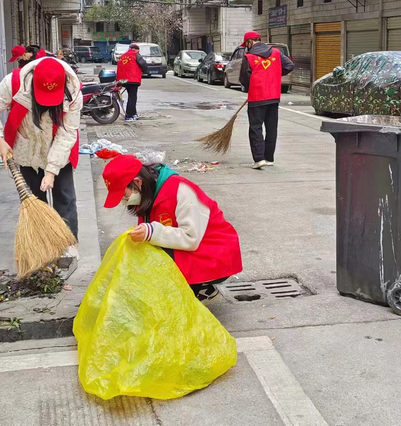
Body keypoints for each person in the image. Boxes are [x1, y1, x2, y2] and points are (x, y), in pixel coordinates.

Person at [102, 154, 242, 300]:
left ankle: (201, 289)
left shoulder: (180, 191)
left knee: (156, 258)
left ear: (137, 182)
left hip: (214, 252)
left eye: (124, 194)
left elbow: (191, 238)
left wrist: (151, 232)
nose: (123, 201)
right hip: (192, 248)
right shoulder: (147, 193)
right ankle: (190, 289)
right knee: (140, 254)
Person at [0, 56, 84, 242]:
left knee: (65, 200)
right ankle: (41, 245)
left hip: (60, 151)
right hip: (26, 151)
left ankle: (68, 244)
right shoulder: (15, 82)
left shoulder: (73, 92)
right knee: (34, 200)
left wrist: (51, 171)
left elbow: (67, 134)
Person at [239, 32, 294, 169]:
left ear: (250, 42)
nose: (246, 47)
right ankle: (269, 158)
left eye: (246, 44)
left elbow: (243, 79)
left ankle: (259, 159)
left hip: (257, 97)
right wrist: (274, 74)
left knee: (256, 128)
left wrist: (251, 87)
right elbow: (289, 66)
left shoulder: (248, 57)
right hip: (274, 96)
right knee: (271, 128)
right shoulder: (276, 53)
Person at [116, 43, 147, 122]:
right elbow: (144, 65)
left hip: (123, 80)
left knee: (131, 96)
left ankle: (134, 113)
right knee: (132, 97)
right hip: (132, 79)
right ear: (137, 50)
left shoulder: (122, 56)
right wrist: (145, 71)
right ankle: (129, 115)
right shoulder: (136, 55)